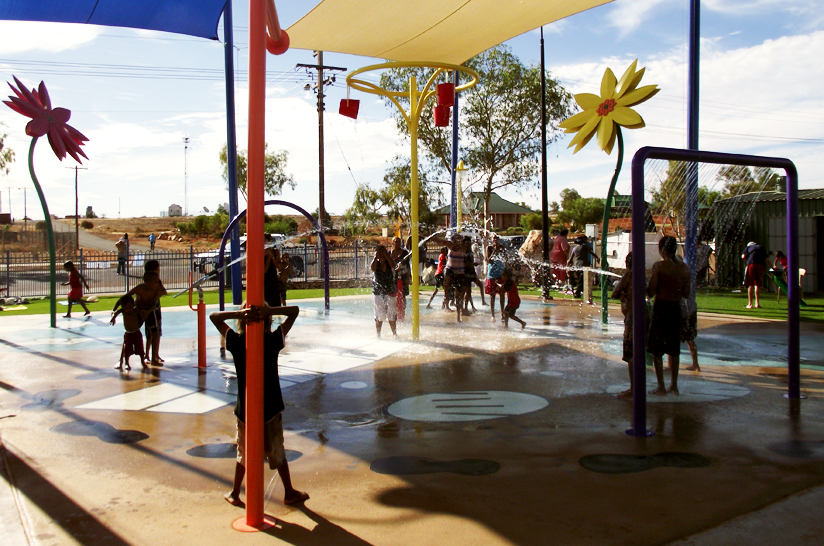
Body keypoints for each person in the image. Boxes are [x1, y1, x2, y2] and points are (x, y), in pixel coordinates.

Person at [210, 303, 309, 508]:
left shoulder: (238, 341)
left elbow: (215, 318)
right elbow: (294, 312)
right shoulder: (271, 340)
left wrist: (239, 314)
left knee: (244, 453)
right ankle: (288, 492)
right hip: (269, 407)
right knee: (274, 451)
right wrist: (268, 311)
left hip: (246, 409)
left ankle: (236, 492)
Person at [646, 236, 691, 396]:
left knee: (657, 350)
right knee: (674, 349)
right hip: (676, 309)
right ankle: (675, 385)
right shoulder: (685, 269)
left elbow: (651, 292)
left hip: (661, 308)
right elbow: (686, 294)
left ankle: (661, 386)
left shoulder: (659, 266)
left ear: (663, 250)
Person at [611, 252, 645, 399]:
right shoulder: (643, 276)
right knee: (642, 352)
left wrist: (622, 295)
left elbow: (614, 293)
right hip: (644, 316)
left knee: (631, 354)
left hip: (632, 317)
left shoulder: (628, 276)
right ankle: (642, 386)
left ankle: (634, 389)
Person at [114, 270, 164, 368]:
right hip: (138, 310)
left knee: (154, 333)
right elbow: (125, 297)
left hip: (148, 311)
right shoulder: (140, 288)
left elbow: (154, 304)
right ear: (148, 283)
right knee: (129, 334)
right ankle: (121, 361)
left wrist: (148, 312)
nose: (158, 284)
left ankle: (153, 358)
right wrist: (114, 309)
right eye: (156, 282)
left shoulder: (156, 290)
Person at [110, 294, 144, 371]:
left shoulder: (136, 310)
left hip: (137, 332)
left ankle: (142, 361)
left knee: (140, 348)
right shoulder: (123, 311)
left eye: (130, 307)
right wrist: (113, 318)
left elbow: (142, 314)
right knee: (127, 350)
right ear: (123, 308)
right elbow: (116, 312)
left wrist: (143, 316)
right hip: (128, 334)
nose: (129, 309)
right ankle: (126, 363)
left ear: (133, 305)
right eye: (126, 308)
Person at [143, 260, 167, 366]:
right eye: (158, 268)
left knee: (155, 332)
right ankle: (148, 354)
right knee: (151, 333)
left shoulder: (157, 281)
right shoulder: (148, 281)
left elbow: (164, 291)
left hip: (155, 308)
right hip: (150, 309)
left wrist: (157, 294)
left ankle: (155, 354)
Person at [371, 245, 398, 338]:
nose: (381, 254)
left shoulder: (389, 260)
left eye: (383, 251)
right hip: (378, 291)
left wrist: (386, 256)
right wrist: (375, 257)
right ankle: (378, 335)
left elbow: (393, 266)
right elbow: (372, 268)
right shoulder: (375, 262)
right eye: (379, 251)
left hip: (390, 290)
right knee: (379, 315)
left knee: (392, 314)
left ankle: (394, 334)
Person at [484, 234, 505, 321]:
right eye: (494, 238)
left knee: (502, 294)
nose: (495, 240)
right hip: (492, 274)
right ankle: (492, 315)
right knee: (492, 296)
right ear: (491, 240)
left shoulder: (502, 247)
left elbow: (505, 258)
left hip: (500, 273)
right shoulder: (489, 248)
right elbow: (488, 260)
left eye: (497, 238)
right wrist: (494, 251)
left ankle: (502, 313)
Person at [741, 241, 768, 309]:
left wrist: (747, 261)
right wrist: (772, 267)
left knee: (751, 284)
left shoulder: (748, 247)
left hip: (751, 264)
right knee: (757, 283)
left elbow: (743, 256)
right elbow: (767, 259)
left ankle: (750, 304)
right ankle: (757, 304)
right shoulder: (761, 247)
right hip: (760, 265)